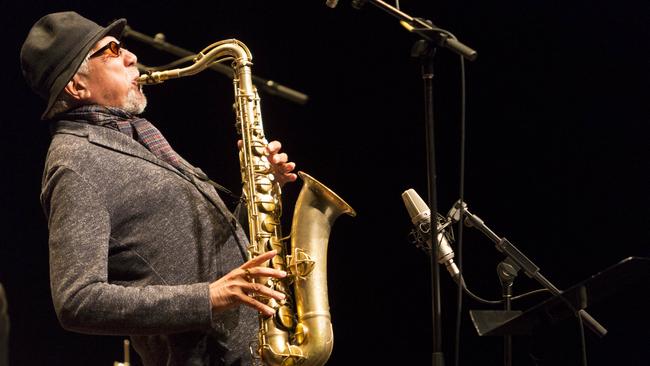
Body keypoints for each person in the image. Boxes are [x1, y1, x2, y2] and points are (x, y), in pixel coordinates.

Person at [20, 11, 298, 365]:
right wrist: (210, 297)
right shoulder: (76, 163)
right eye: (111, 50)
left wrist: (260, 188)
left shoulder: (135, 136)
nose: (131, 56)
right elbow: (76, 301)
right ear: (77, 86)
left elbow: (203, 254)